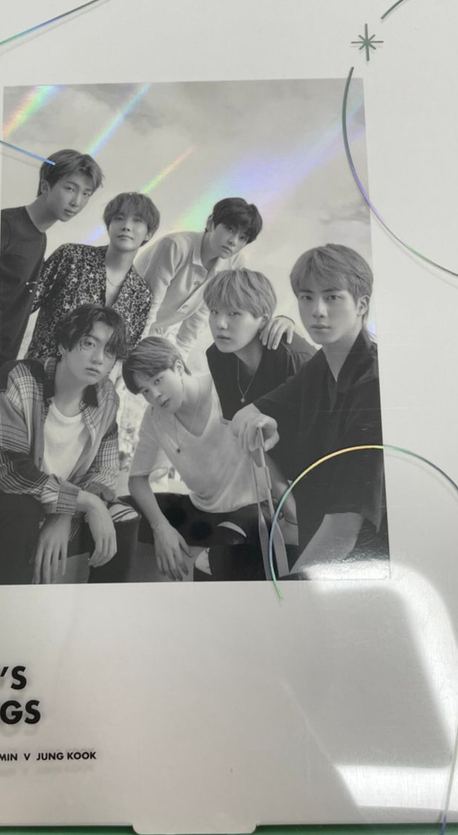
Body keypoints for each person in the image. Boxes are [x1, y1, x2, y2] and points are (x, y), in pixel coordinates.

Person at [232, 244, 387, 574]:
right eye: (306, 297)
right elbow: (243, 417)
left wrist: (290, 592)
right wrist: (263, 423)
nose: (317, 310)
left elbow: (343, 531)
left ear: (361, 305)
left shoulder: (373, 386)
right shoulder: (321, 365)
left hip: (362, 566)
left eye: (332, 297)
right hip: (317, 545)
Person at [0, 304, 138, 585]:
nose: (98, 359)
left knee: (124, 517)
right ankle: (10, 602)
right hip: (16, 505)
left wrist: (63, 511)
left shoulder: (107, 397)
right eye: (89, 343)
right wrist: (85, 502)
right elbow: (8, 469)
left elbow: (105, 472)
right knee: (21, 510)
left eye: (109, 351)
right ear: (63, 345)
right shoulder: (20, 378)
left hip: (63, 511)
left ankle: (103, 606)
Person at [124, 337, 270, 582]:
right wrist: (161, 527)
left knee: (219, 557)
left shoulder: (222, 386)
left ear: (178, 367)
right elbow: (137, 480)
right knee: (122, 512)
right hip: (203, 511)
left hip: (254, 507)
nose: (155, 395)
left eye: (158, 380)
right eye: (145, 391)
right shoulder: (155, 417)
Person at [134, 197, 294, 358]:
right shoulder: (175, 246)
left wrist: (182, 355)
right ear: (211, 222)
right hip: (130, 319)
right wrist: (136, 350)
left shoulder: (234, 262)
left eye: (242, 238)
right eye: (230, 229)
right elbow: (147, 304)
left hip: (160, 329)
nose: (233, 241)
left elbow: (204, 311)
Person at [0, 149, 103, 370]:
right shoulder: (5, 226)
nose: (77, 202)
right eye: (70, 188)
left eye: (86, 193)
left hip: (1, 360)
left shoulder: (40, 238)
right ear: (45, 186)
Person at [25, 192, 159, 360]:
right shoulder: (71, 257)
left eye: (137, 220)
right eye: (119, 218)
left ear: (148, 233)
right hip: (38, 369)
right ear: (108, 225)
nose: (126, 226)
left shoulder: (141, 295)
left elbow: (123, 354)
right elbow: (22, 306)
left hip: (93, 376)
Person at [204, 268, 314, 418]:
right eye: (214, 312)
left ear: (263, 320)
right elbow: (234, 420)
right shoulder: (217, 355)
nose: (220, 324)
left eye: (233, 313)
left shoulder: (292, 358)